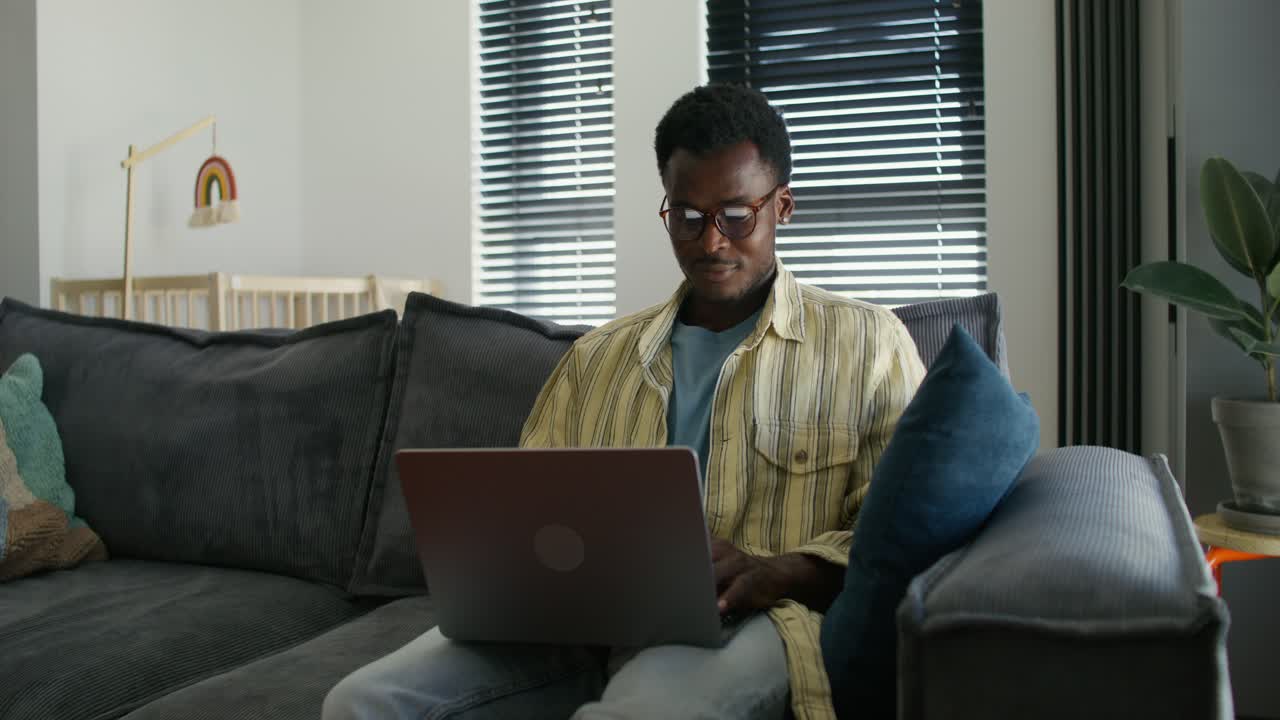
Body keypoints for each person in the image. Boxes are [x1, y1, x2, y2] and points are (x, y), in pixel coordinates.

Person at [323, 83, 926, 720]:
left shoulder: (867, 342)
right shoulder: (597, 357)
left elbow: (900, 532)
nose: (711, 242)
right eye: (688, 218)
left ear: (783, 206)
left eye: (736, 216)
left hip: (751, 621)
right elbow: (525, 509)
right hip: (573, 620)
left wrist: (779, 568)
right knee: (362, 702)